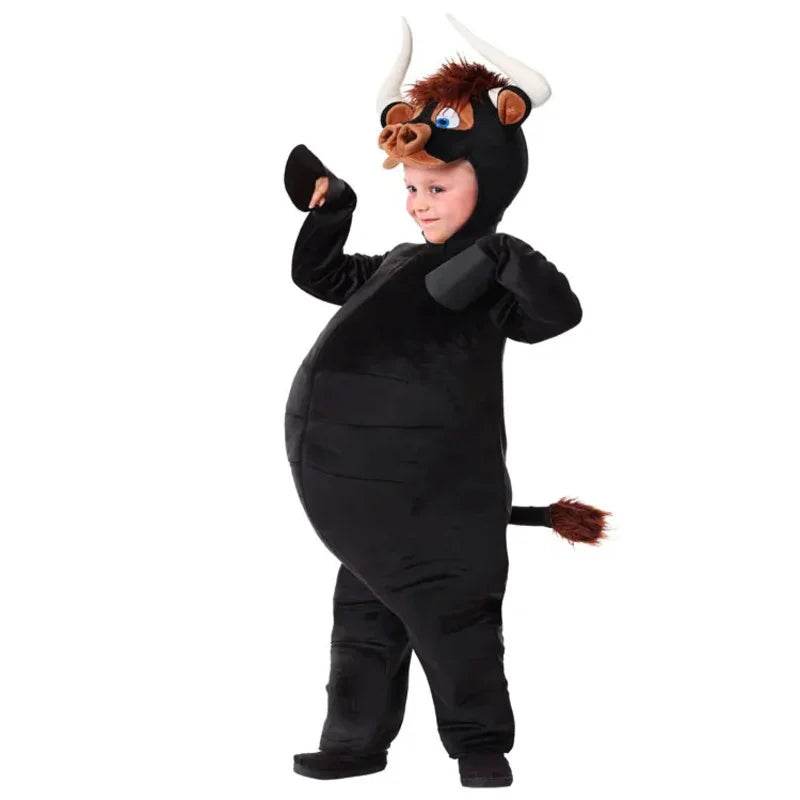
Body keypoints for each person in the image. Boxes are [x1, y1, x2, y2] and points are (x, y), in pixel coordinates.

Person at [283, 15, 608, 788]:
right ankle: (353, 740)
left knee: (456, 624)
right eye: (410, 188)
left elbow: (555, 317)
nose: (418, 204)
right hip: (367, 511)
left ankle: (479, 744)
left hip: (442, 503)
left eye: (436, 188)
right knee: (363, 628)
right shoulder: (399, 262)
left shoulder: (491, 278)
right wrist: (331, 211)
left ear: (487, 182)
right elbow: (322, 279)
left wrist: (505, 258)